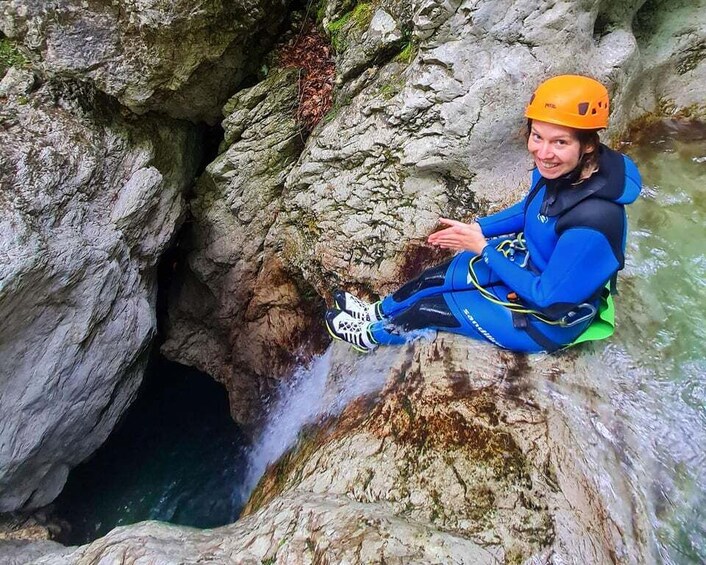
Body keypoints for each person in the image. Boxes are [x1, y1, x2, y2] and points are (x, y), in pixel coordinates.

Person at [325, 74, 642, 353]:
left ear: (587, 144)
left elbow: (548, 298)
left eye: (560, 141)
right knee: (432, 279)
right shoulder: (561, 172)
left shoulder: (595, 221)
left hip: (547, 320)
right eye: (537, 136)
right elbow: (531, 210)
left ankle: (369, 335)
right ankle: (376, 312)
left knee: (429, 310)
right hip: (528, 267)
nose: (543, 153)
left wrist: (484, 250)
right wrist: (476, 228)